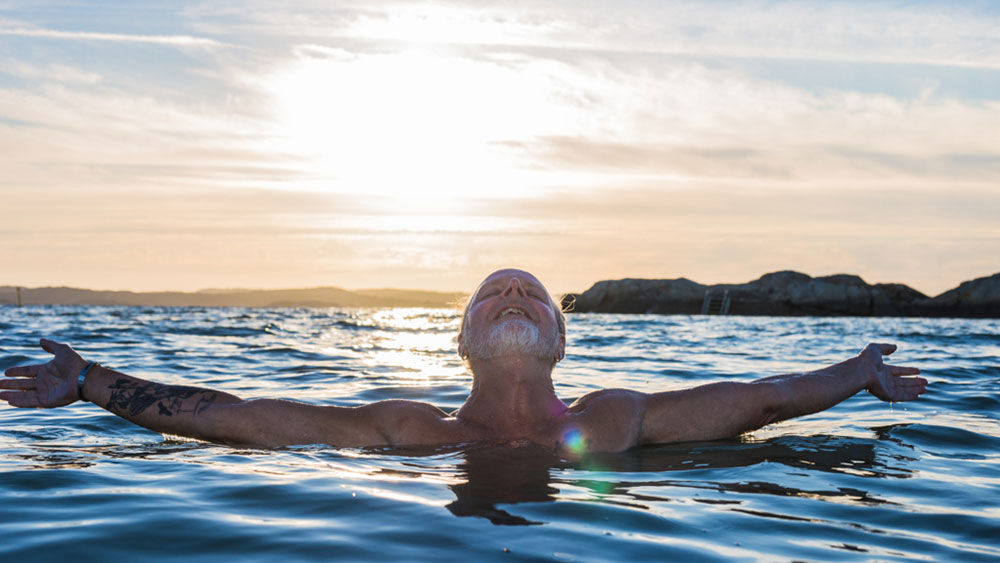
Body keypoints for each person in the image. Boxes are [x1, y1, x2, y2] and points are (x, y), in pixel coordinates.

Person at [0, 268, 927, 454]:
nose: (515, 300)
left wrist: (858, 372)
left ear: (562, 339)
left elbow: (758, 398)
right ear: (464, 340)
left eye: (534, 296)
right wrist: (89, 382)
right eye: (494, 296)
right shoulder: (407, 428)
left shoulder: (617, 416)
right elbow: (237, 413)